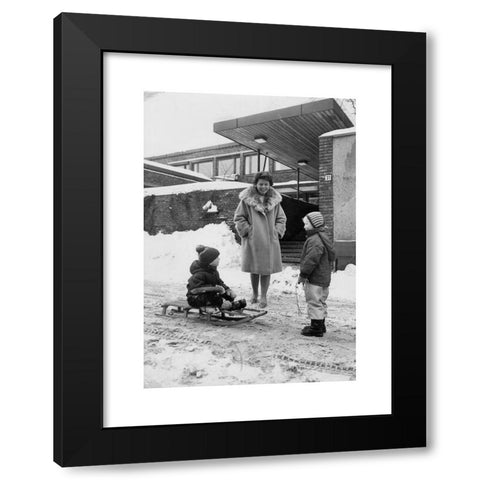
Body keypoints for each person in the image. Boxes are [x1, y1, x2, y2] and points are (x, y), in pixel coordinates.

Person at [234, 171, 287, 308]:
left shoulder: (275, 201)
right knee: (254, 268)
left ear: (270, 185)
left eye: (266, 184)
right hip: (254, 240)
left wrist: (276, 231)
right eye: (261, 184)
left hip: (269, 240)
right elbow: (239, 218)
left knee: (266, 269)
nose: (263, 187)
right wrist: (248, 231)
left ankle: (263, 296)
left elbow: (281, 218)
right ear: (255, 184)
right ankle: (254, 293)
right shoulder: (247, 200)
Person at [297, 211, 336, 337]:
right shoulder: (323, 237)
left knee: (314, 301)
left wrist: (303, 275)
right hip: (324, 277)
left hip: (315, 278)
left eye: (307, 223)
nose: (304, 226)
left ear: (314, 225)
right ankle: (321, 324)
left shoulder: (315, 240)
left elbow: (311, 260)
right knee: (321, 301)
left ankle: (316, 328)